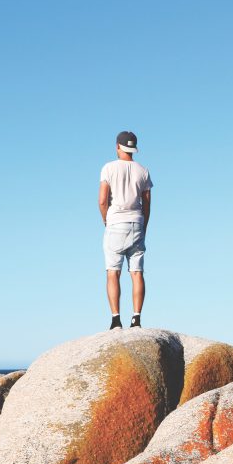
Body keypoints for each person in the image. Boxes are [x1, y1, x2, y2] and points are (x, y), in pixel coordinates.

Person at [98, 131, 152, 330]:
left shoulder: (108, 168)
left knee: (113, 272)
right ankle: (136, 319)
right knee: (137, 272)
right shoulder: (143, 171)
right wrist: (144, 226)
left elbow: (103, 199)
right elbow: (147, 204)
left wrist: (106, 218)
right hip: (137, 222)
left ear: (117, 146)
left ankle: (115, 320)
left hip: (115, 223)